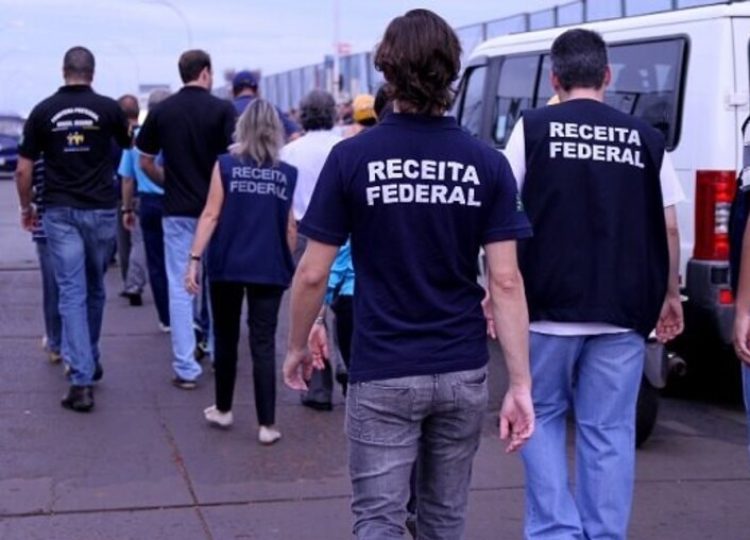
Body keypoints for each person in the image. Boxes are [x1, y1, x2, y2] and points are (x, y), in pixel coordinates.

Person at [283, 9, 535, 539]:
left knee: (378, 520)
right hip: (461, 365)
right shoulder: (486, 163)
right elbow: (506, 281)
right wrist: (520, 383)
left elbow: (311, 272)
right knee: (444, 520)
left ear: (387, 72)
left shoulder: (353, 157)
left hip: (384, 366)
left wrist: (297, 345)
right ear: (452, 74)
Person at [502, 28, 684, 539]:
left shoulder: (532, 128)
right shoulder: (647, 138)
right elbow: (669, 225)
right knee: (608, 432)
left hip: (544, 307)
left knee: (539, 418)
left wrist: (494, 291)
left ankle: (557, 532)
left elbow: (500, 216)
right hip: (622, 309)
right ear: (608, 76)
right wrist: (670, 294)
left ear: (555, 79)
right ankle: (604, 534)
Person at [15, 46, 132, 412]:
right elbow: (128, 145)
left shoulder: (43, 111)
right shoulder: (110, 109)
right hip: (100, 209)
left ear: (63, 70)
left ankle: (81, 379)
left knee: (71, 292)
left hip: (60, 210)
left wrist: (26, 206)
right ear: (92, 73)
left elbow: (23, 169)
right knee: (95, 288)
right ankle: (88, 359)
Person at [185, 98, 297, 445]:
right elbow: (291, 227)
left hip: (228, 262)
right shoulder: (286, 173)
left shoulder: (226, 165)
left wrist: (194, 258)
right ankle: (267, 425)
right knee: (263, 343)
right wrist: (287, 262)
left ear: (242, 128)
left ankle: (223, 407)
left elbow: (211, 214)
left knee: (227, 335)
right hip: (269, 264)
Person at [136, 49, 236, 390]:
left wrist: (167, 180)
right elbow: (235, 158)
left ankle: (186, 366)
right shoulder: (222, 110)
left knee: (182, 288)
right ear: (206, 73)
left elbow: (145, 161)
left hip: (176, 210)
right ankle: (219, 355)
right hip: (217, 211)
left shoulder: (162, 111)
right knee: (217, 284)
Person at [280, 89, 342, 411]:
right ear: (332, 113)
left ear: (302, 115)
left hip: (305, 230)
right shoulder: (344, 145)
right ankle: (349, 368)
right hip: (347, 233)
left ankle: (318, 384)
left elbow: (286, 206)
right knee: (348, 304)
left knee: (311, 308)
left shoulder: (290, 152)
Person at [119, 89, 172, 332]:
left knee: (156, 262)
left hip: (148, 203)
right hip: (176, 201)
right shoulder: (177, 136)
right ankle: (186, 311)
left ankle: (165, 317)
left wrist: (126, 208)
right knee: (181, 259)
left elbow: (127, 179)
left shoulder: (136, 141)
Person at [29, 157, 63, 365]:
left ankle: (55, 343)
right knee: (77, 287)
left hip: (47, 225)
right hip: (81, 222)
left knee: (52, 288)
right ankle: (77, 344)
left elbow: (24, 177)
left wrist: (28, 206)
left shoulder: (39, 155)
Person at [117, 94, 147, 307]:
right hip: (160, 197)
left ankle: (132, 283)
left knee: (131, 244)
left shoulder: (123, 140)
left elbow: (126, 178)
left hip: (131, 197)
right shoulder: (152, 136)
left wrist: (125, 207)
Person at [231, 70, 300, 140]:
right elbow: (295, 135)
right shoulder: (270, 108)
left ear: (233, 91)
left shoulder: (228, 110)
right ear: (256, 89)